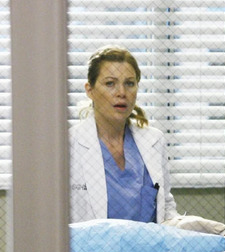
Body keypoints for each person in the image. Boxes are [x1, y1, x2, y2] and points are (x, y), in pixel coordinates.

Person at [69, 45, 179, 224]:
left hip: (149, 242)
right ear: (90, 90)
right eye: (110, 83)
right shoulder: (68, 146)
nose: (121, 93)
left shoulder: (153, 141)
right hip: (92, 243)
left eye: (129, 83)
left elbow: (165, 206)